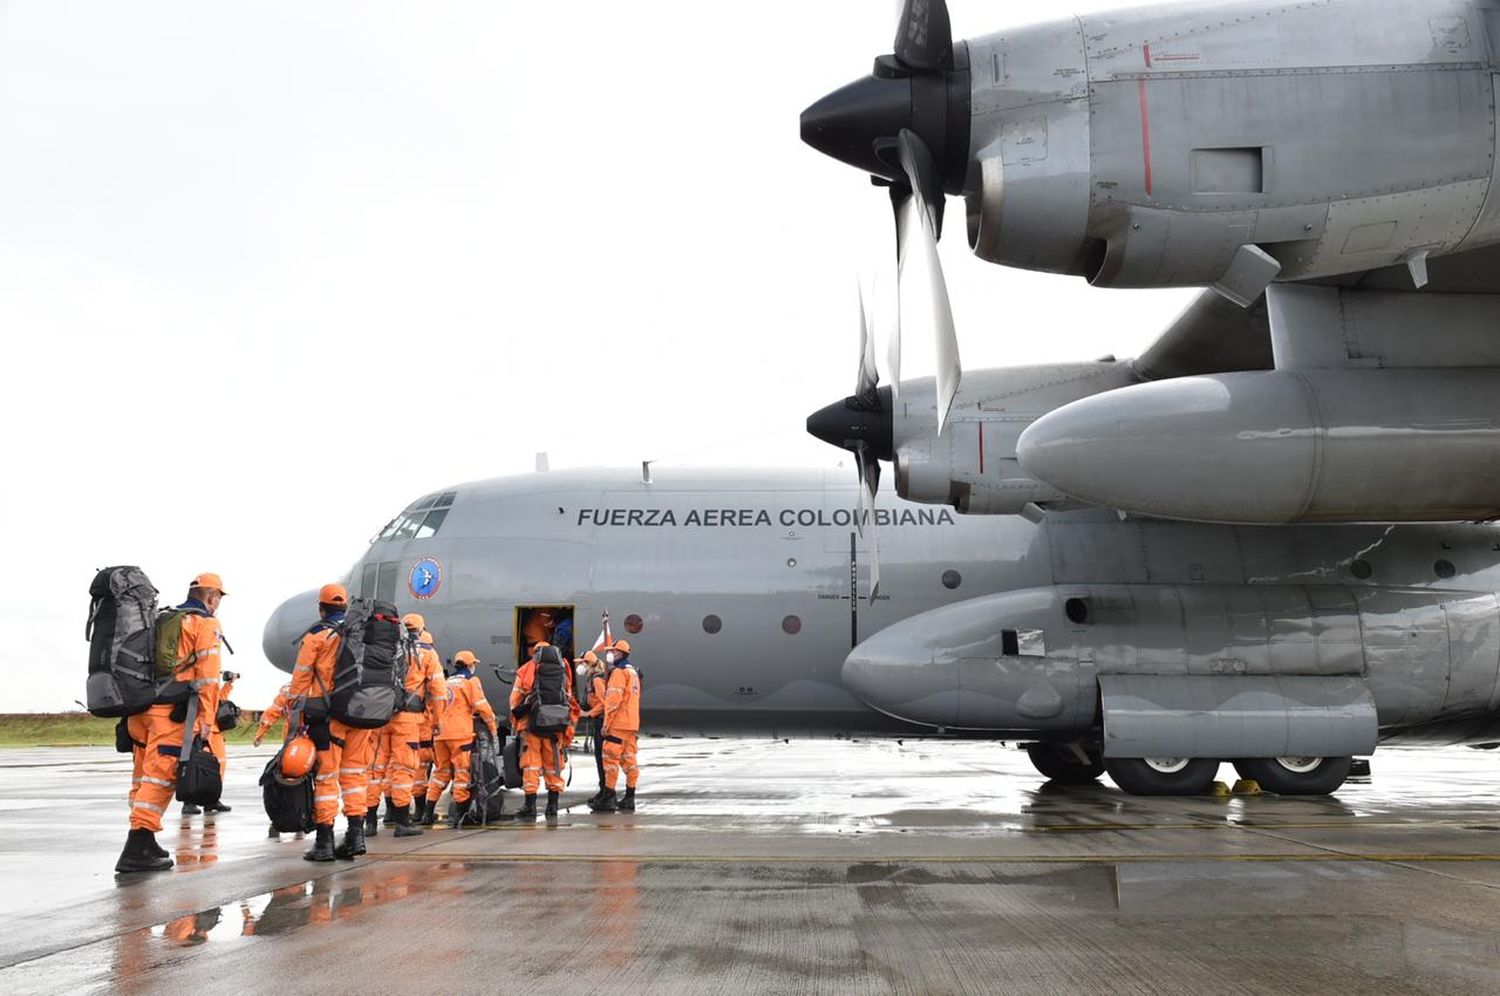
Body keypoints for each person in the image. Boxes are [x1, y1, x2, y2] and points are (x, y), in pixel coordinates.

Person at [116, 573, 227, 874]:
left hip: (140, 712)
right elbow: (207, 678)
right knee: (160, 778)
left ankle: (143, 839)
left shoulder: (163, 618)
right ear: (212, 597)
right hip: (170, 714)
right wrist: (205, 720)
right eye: (218, 599)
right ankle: (138, 844)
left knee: (142, 778)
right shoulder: (205, 624)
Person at [287, 582, 374, 862]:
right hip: (359, 716)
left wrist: (296, 712)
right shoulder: (361, 635)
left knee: (326, 777)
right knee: (356, 777)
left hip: (327, 717)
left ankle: (324, 841)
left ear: (321, 608)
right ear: (345, 607)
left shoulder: (317, 636)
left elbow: (301, 677)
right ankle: (355, 836)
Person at [381, 614, 446, 836]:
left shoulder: (388, 649)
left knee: (379, 768)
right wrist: (438, 721)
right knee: (404, 767)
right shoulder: (427, 653)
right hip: (407, 719)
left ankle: (370, 821)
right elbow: (438, 692)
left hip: (383, 716)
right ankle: (402, 821)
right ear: (421, 629)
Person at [423, 650, 497, 828]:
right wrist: (492, 728)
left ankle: (428, 811)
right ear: (470, 665)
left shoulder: (446, 682)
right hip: (459, 734)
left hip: (440, 734)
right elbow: (481, 706)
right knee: (462, 772)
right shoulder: (470, 681)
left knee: (440, 772)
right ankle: (460, 813)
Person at [510, 642, 579, 819]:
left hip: (531, 727)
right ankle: (553, 806)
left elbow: (515, 699)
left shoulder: (527, 669)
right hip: (556, 728)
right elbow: (568, 697)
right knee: (554, 767)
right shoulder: (563, 671)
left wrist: (516, 721)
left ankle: (530, 806)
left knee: (531, 765)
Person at [595, 639, 641, 813]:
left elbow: (613, 701)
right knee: (630, 761)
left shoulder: (619, 673)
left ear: (621, 653)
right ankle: (630, 797)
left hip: (618, 724)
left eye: (613, 652)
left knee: (610, 760)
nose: (610, 655)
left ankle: (609, 797)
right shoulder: (633, 672)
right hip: (631, 723)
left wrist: (606, 724)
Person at [189, 668, 238, 815]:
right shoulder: (195, 683)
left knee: (219, 764)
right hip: (197, 728)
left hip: (214, 730)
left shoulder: (212, 685)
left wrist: (229, 683)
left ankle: (212, 799)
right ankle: (189, 801)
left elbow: (218, 700)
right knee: (194, 765)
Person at [576, 651, 608, 807]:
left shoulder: (597, 680)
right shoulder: (592, 679)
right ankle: (603, 791)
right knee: (599, 759)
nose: (580, 666)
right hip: (598, 721)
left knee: (602, 759)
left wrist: (588, 714)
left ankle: (606, 792)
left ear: (588, 664)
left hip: (601, 721)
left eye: (582, 663)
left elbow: (604, 702)